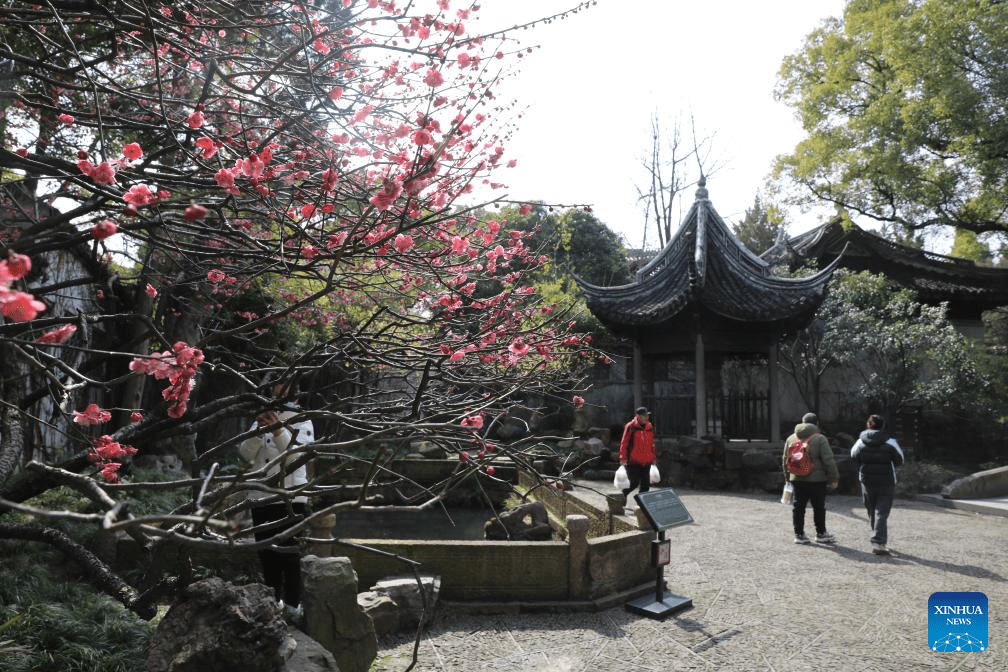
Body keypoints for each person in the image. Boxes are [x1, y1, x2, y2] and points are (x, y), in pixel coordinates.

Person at [239, 395, 315, 608]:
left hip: (290, 496)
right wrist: (258, 431)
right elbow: (245, 456)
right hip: (260, 496)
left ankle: (293, 606)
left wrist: (279, 431)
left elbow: (296, 459)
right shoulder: (258, 421)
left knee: (290, 555)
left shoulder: (303, 420)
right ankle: (272, 605)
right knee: (266, 554)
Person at [850, 414, 905, 555]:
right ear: (883, 426)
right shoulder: (890, 442)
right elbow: (900, 460)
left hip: (867, 480)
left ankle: (876, 538)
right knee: (882, 511)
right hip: (886, 481)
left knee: (872, 509)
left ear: (868, 425)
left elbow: (854, 457)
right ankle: (878, 542)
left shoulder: (860, 442)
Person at [782, 412, 839, 545]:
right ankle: (821, 534)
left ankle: (799, 535)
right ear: (816, 423)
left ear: (802, 422)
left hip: (796, 477)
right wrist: (834, 478)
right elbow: (828, 460)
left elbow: (785, 459)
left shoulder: (791, 438)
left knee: (798, 507)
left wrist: (787, 477)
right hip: (817, 480)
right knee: (818, 507)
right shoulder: (820, 438)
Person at [618, 406, 656, 502]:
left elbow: (651, 443)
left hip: (646, 460)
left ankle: (642, 505)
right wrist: (623, 457)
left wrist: (653, 456)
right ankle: (621, 497)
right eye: (644, 416)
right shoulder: (630, 426)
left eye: (647, 415)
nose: (646, 417)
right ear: (638, 416)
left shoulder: (649, 426)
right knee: (633, 483)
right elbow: (624, 442)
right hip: (633, 460)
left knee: (645, 485)